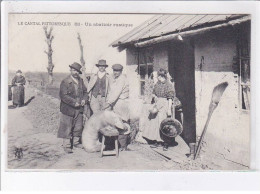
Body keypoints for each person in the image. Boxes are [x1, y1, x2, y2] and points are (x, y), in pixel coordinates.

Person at [57, 62, 89, 153]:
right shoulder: (65, 81)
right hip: (68, 108)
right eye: (73, 70)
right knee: (67, 126)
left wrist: (84, 100)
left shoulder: (81, 81)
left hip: (79, 108)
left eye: (77, 71)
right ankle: (66, 145)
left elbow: (86, 92)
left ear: (79, 72)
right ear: (70, 70)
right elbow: (63, 96)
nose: (75, 72)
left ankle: (76, 142)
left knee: (78, 126)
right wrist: (74, 102)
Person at [142, 68, 175, 151]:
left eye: (159, 77)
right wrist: (154, 97)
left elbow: (170, 98)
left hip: (165, 104)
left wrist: (169, 109)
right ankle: (157, 141)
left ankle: (166, 143)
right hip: (158, 103)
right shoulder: (157, 84)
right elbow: (154, 93)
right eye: (158, 77)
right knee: (155, 123)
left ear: (163, 76)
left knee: (163, 123)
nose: (158, 78)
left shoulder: (169, 85)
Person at [104, 64, 131, 151]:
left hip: (121, 103)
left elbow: (116, 93)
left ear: (121, 71)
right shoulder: (116, 79)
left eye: (117, 71)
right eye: (114, 71)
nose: (115, 73)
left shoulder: (122, 79)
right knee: (117, 123)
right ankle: (118, 145)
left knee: (122, 123)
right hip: (117, 103)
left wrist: (108, 103)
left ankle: (123, 146)